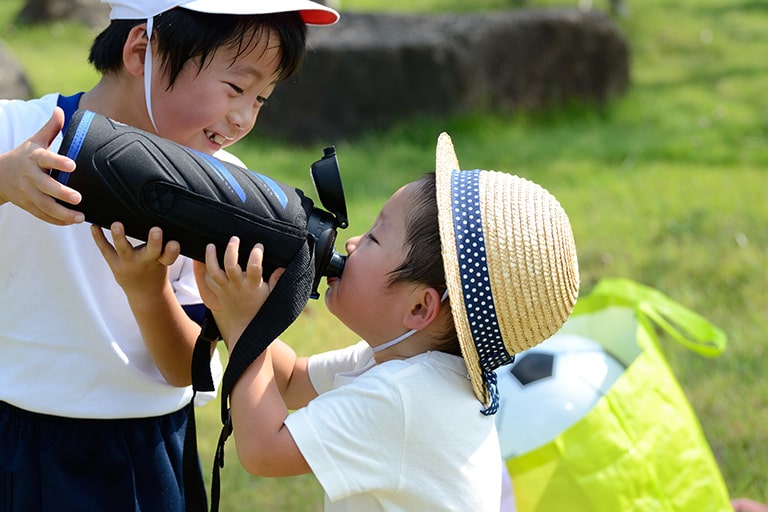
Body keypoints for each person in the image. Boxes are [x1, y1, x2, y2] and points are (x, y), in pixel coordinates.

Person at [0, 0, 339, 510]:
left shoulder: (225, 193)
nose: (244, 116)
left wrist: (148, 291)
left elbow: (186, 368)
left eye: (262, 99)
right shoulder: (17, 132)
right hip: (16, 437)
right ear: (142, 50)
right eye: (235, 87)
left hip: (147, 453)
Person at [194, 132, 580, 510]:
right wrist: (234, 307)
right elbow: (292, 379)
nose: (351, 242)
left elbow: (265, 450)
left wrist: (243, 323)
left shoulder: (405, 397)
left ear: (418, 309)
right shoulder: (408, 367)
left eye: (374, 238)